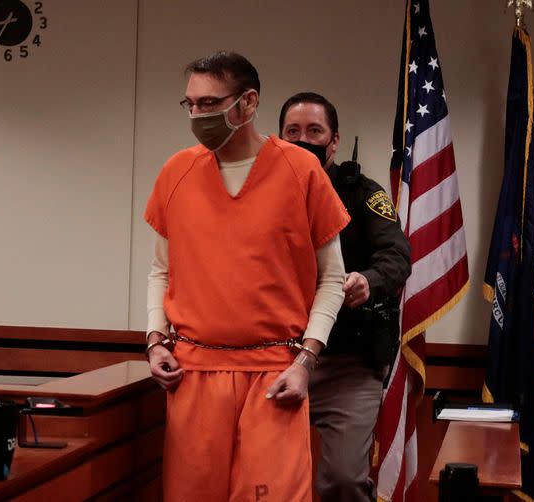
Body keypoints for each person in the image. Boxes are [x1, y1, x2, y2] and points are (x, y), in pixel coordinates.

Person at [143, 53, 350, 502]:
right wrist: (155, 339)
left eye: (210, 103)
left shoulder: (301, 171)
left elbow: (332, 279)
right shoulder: (176, 172)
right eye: (191, 105)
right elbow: (162, 269)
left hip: (275, 374)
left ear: (249, 102)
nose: (198, 115)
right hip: (193, 373)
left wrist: (305, 363)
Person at [279, 92, 412, 502]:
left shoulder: (360, 192)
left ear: (334, 141)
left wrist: (368, 281)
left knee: (342, 482)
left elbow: (397, 255)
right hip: (274, 356)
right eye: (293, 132)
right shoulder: (261, 193)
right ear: (278, 138)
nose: (303, 140)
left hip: (347, 361)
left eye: (314, 131)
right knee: (263, 480)